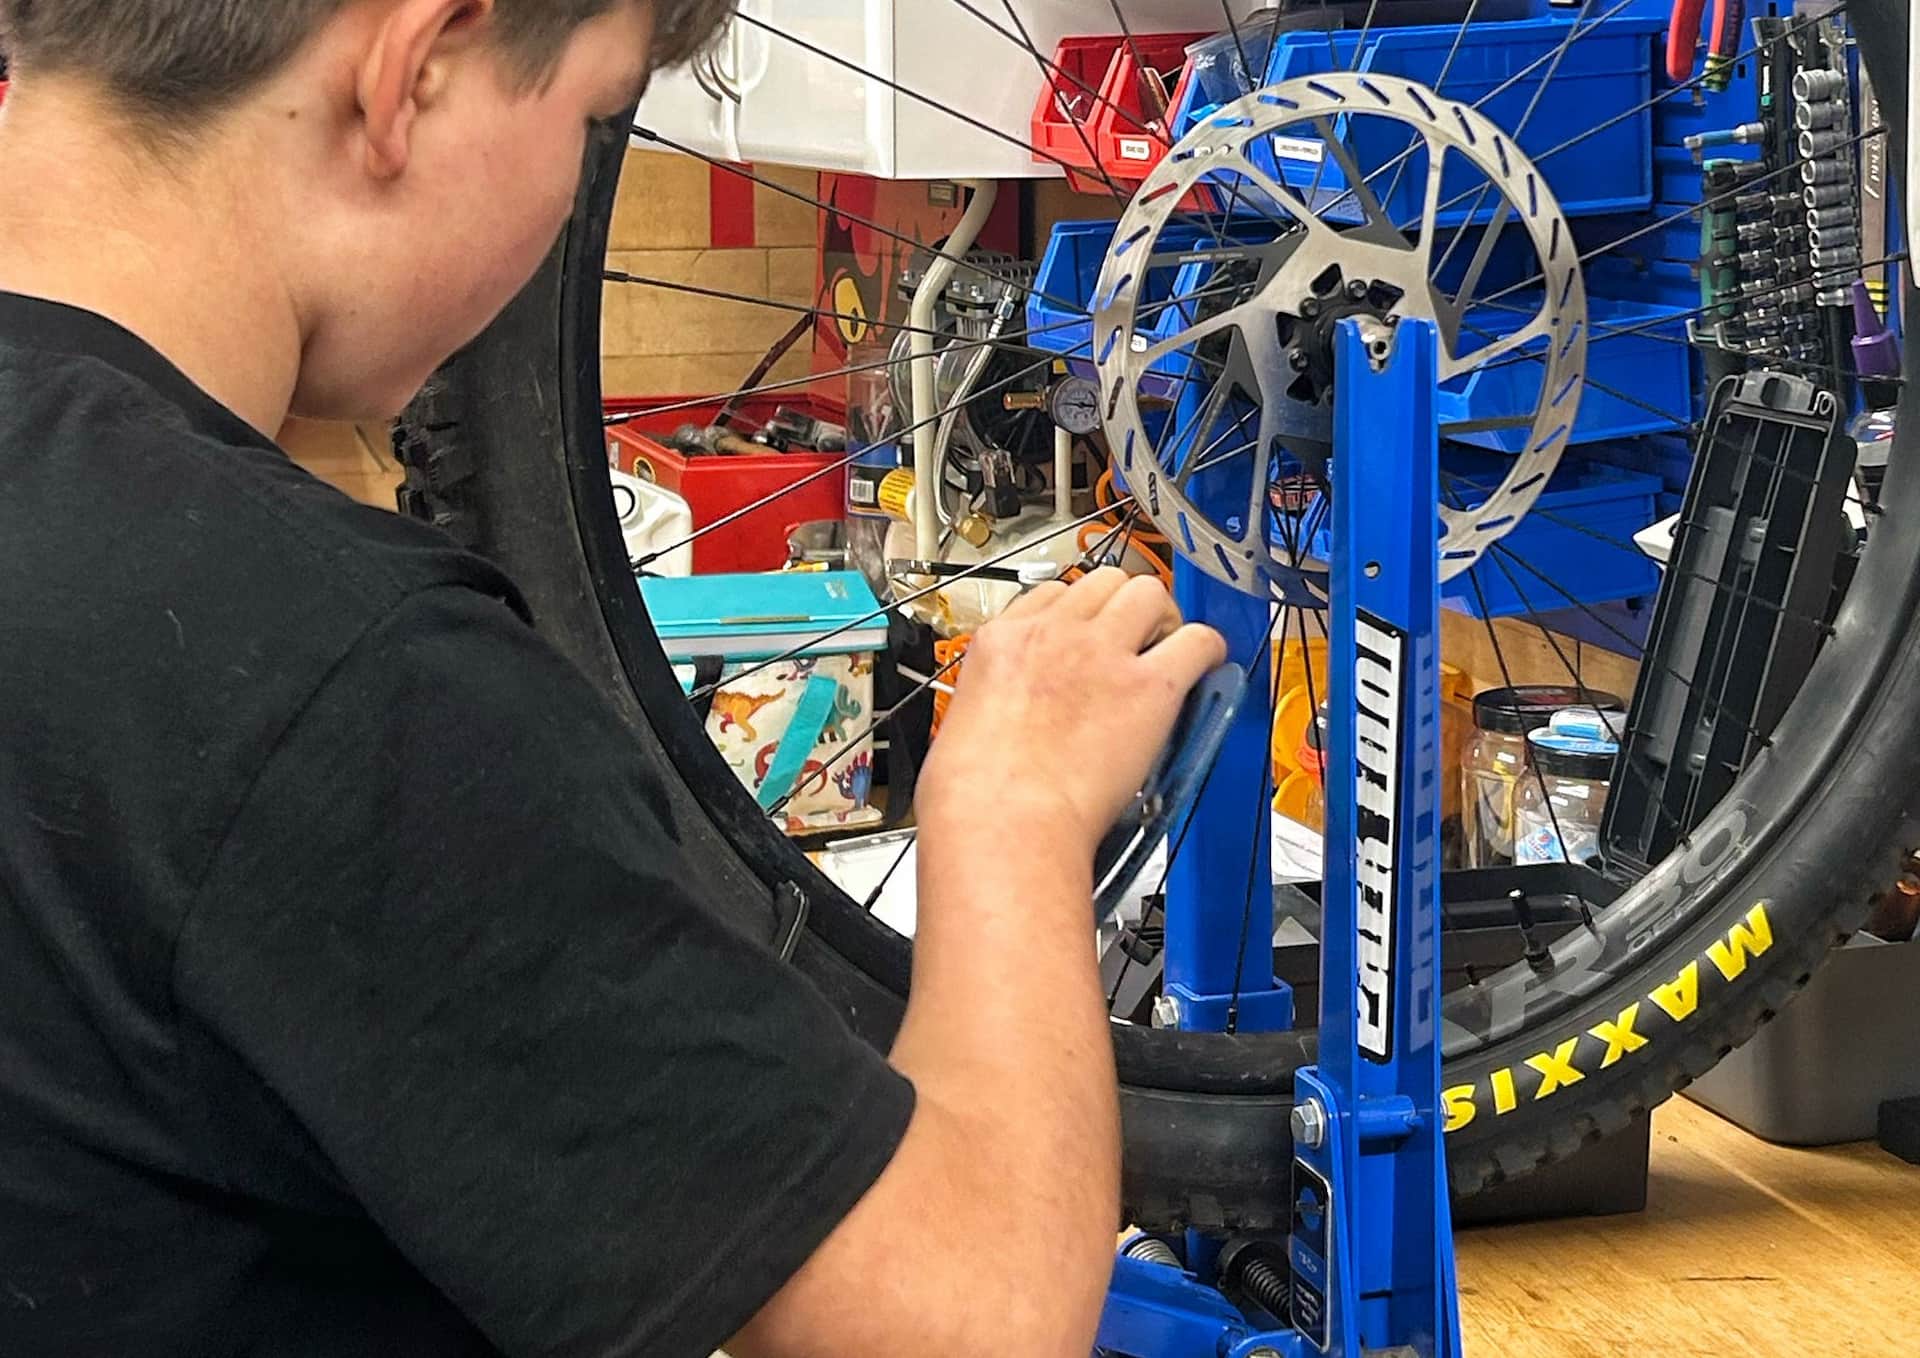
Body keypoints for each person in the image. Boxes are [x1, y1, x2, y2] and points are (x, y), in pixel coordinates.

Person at [0, 3, 1227, 1355]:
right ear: (418, 65)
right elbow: (970, 1323)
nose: (571, 184)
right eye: (594, 123)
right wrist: (1014, 812)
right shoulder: (336, 679)